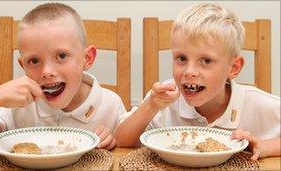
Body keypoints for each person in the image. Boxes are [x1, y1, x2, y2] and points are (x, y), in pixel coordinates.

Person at [115, 3, 280, 160]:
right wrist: (150, 106)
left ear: (233, 68)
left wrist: (264, 146)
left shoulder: (259, 104)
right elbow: (122, 140)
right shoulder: (163, 100)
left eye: (206, 61)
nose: (189, 72)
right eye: (181, 58)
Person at [0, 2, 126, 151]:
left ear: (87, 58)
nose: (47, 71)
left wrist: (112, 141)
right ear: (23, 66)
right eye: (34, 61)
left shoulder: (111, 106)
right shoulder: (14, 106)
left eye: (61, 56)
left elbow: (126, 147)